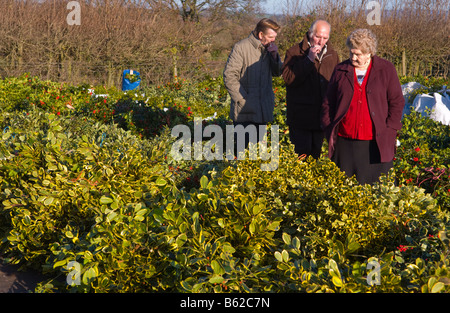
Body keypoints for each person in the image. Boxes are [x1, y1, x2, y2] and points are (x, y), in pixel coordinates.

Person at [321, 28, 404, 185]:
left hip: (376, 143)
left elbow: (397, 101)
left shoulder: (386, 70)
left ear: (369, 52)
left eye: (358, 54)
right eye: (351, 53)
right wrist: (328, 126)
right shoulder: (340, 70)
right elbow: (328, 102)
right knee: (345, 191)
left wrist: (390, 129)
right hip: (345, 142)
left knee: (377, 191)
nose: (353, 57)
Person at [223, 18, 282, 155]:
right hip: (245, 113)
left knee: (258, 156)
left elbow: (277, 73)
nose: (273, 40)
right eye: (270, 37)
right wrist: (243, 100)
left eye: (275, 37)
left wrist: (274, 56)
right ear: (261, 35)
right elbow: (229, 76)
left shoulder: (269, 50)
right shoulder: (241, 47)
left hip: (263, 111)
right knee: (242, 155)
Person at [282, 20, 339, 159]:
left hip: (322, 116)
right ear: (310, 33)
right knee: (301, 158)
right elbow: (289, 79)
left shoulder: (333, 55)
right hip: (301, 117)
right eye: (318, 37)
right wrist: (309, 59)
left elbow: (336, 82)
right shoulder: (294, 52)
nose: (321, 41)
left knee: (316, 157)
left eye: (325, 38)